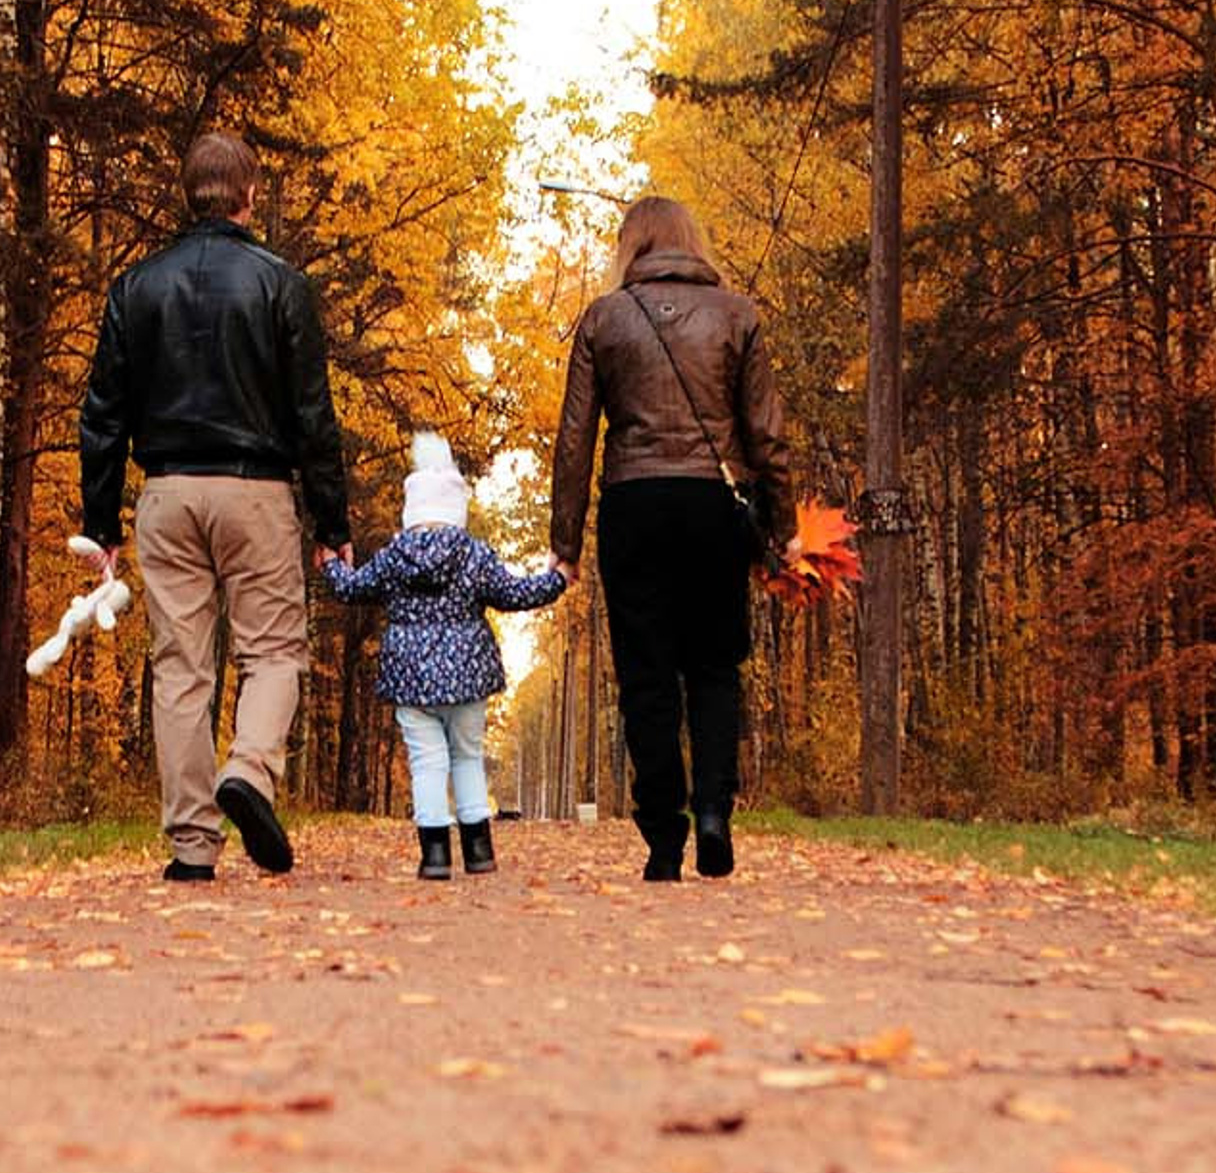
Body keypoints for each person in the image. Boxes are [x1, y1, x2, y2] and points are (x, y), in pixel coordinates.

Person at [78, 129, 351, 880]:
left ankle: (192, 847)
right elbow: (312, 414)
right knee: (273, 652)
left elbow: (102, 412)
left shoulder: (136, 287)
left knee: (180, 667)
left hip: (166, 493)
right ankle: (250, 772)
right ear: (249, 196)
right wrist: (333, 524)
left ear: (186, 193)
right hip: (256, 491)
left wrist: (99, 524)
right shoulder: (280, 284)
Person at [548, 194, 792, 882]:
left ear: (632, 246)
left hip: (634, 503)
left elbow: (575, 440)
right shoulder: (737, 315)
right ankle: (714, 810)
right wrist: (785, 529)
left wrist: (564, 543)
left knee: (646, 675)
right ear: (693, 241)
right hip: (716, 506)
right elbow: (766, 435)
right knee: (715, 665)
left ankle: (663, 834)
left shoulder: (605, 318)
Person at [321, 435, 568, 879]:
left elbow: (352, 588)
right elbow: (513, 594)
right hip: (468, 675)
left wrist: (330, 564)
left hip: (410, 677)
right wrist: (556, 579)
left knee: (426, 762)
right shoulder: (472, 555)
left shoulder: (396, 556)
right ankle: (478, 851)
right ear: (455, 510)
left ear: (412, 510)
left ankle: (434, 855)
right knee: (467, 756)